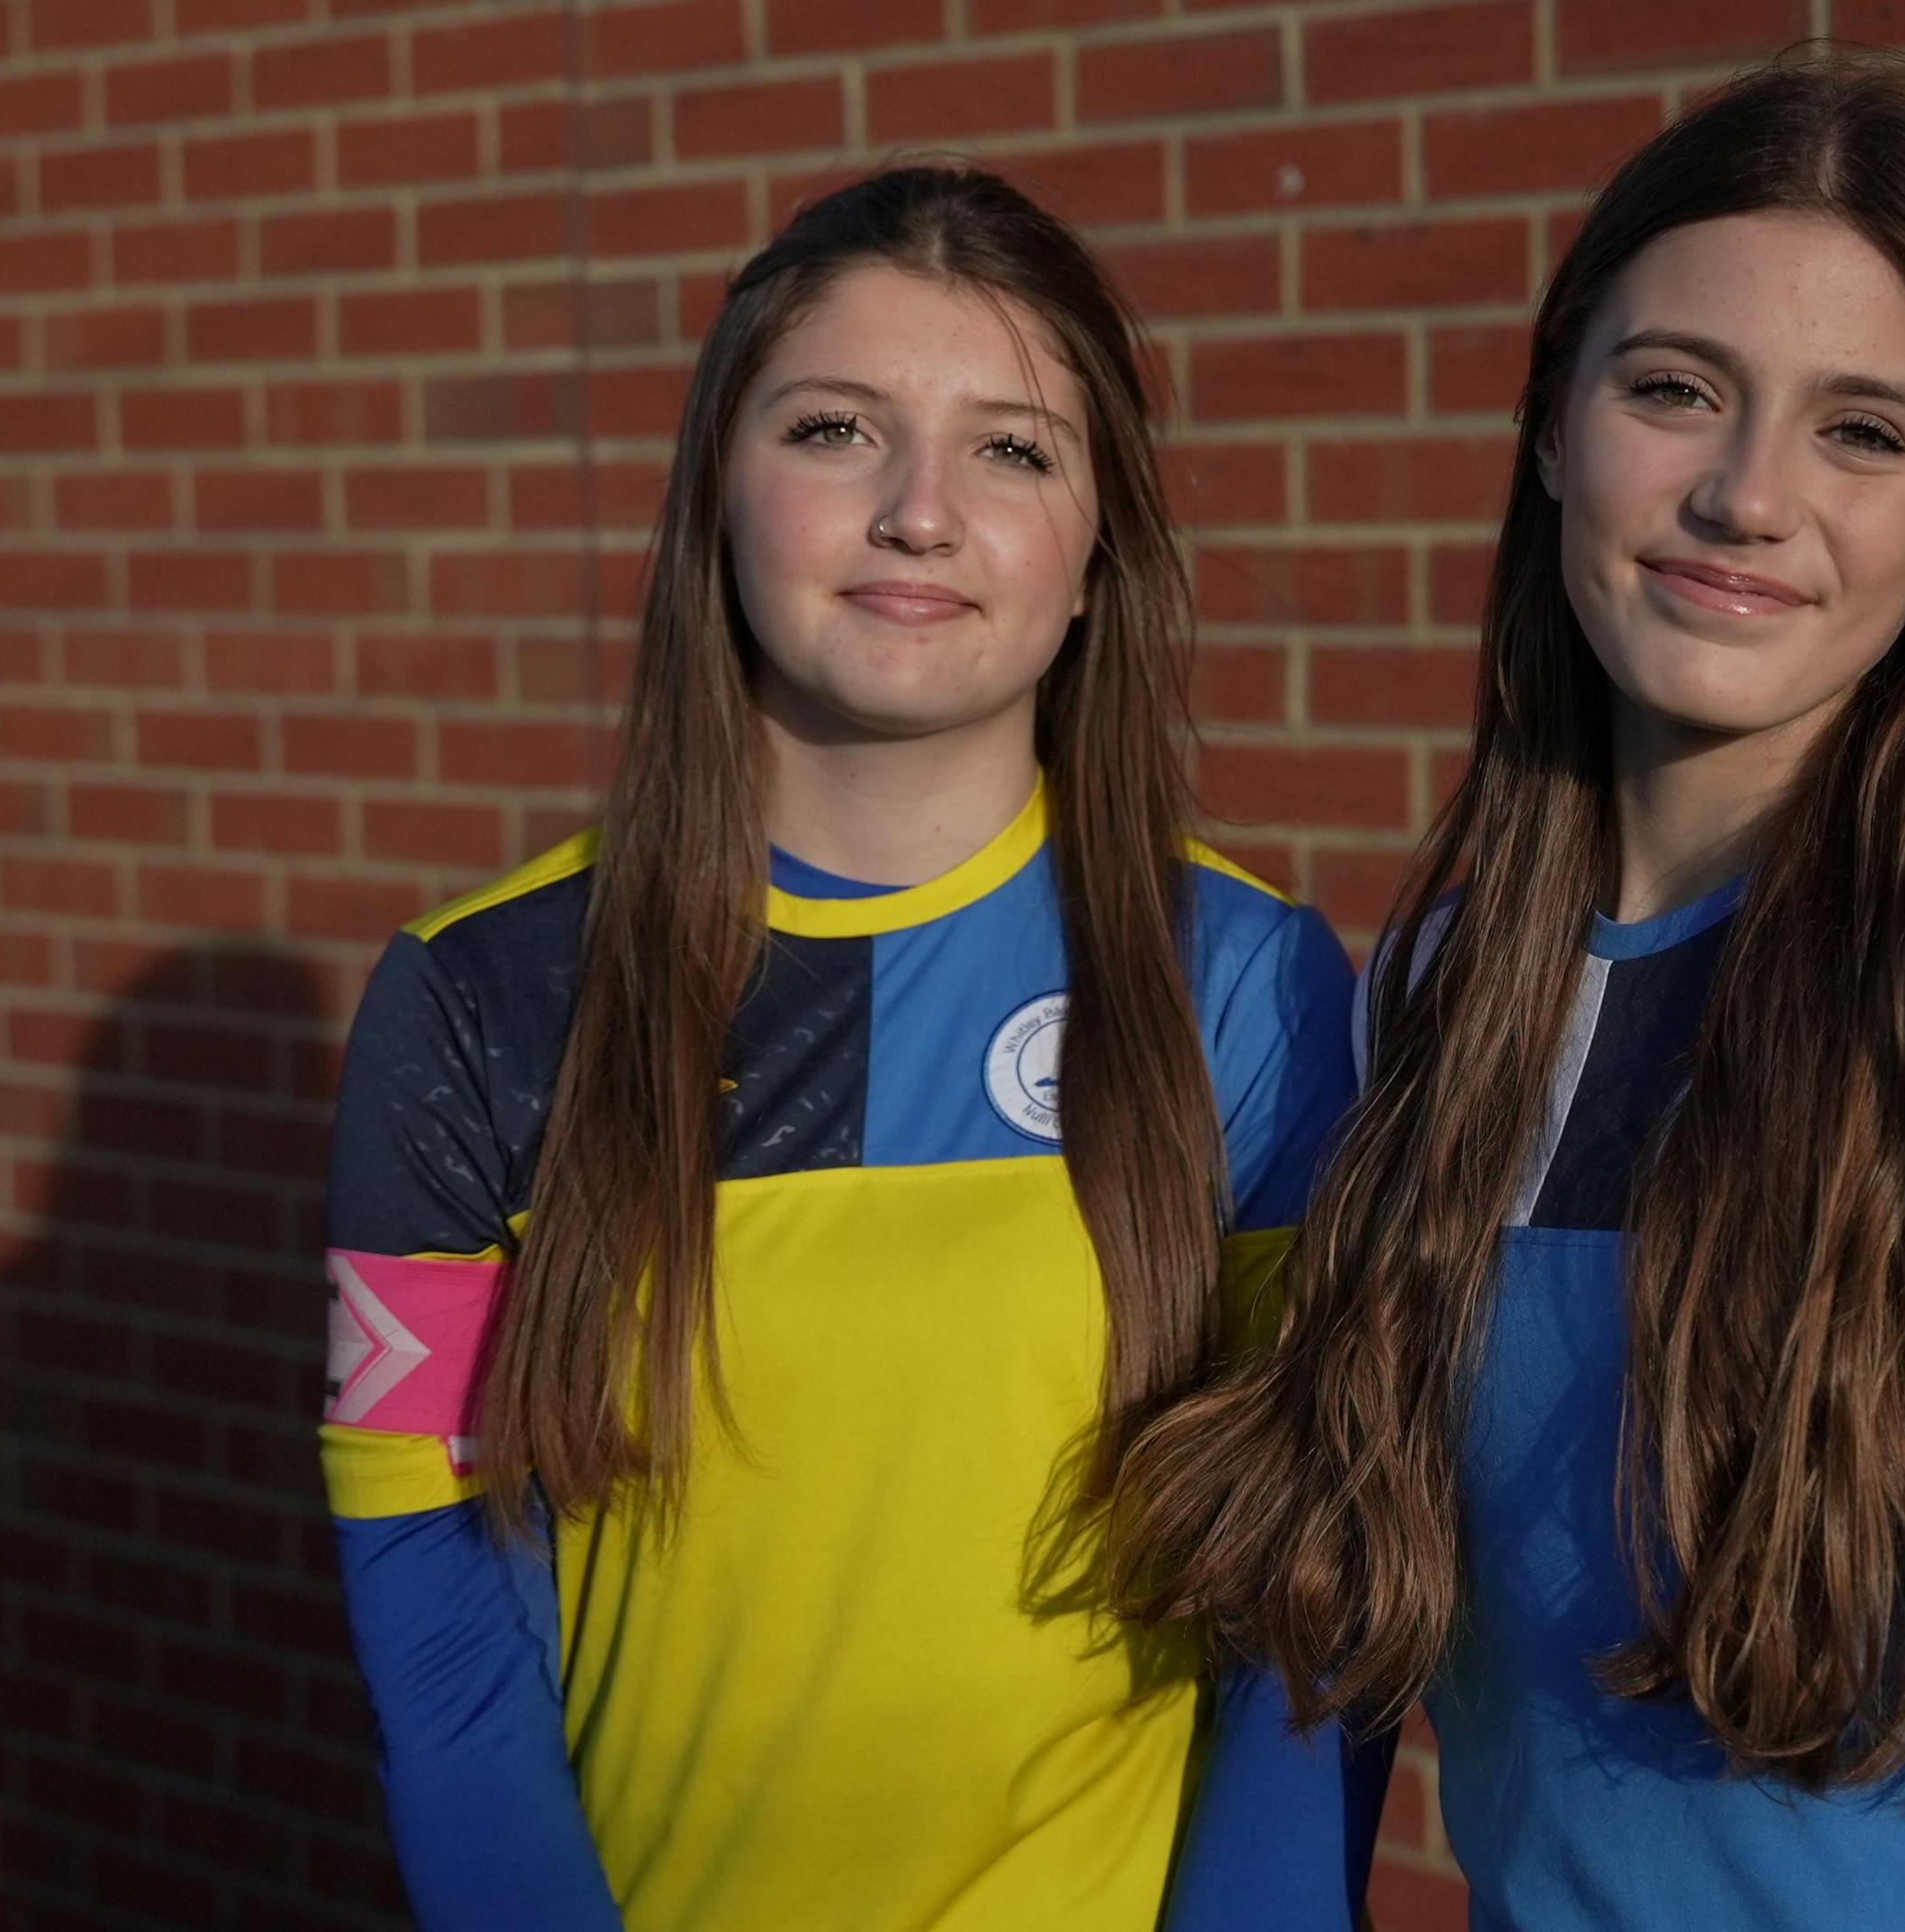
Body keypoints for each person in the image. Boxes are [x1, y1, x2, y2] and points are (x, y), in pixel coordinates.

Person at [1116, 48, 1905, 1932]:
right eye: (1676, 389)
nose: (1748, 496)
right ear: (1554, 424)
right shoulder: (1434, 998)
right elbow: (1327, 1628)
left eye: (1865, 431)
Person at [314, 164, 1355, 1932]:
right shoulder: (482, 1000)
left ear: (1098, 549)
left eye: (1011, 449)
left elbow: (1310, 1595)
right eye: (835, 430)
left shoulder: (1249, 984)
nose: (919, 513)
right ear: (717, 494)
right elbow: (436, 1616)